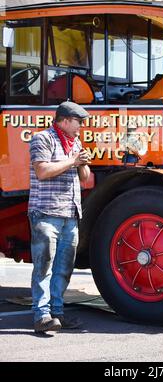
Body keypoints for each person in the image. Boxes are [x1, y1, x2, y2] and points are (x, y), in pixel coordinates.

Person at [28, 101, 91, 333]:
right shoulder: (42, 139)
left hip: (70, 213)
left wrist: (82, 163)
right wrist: (73, 161)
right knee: (43, 266)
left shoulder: (75, 142)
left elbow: (85, 178)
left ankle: (57, 313)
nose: (81, 127)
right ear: (64, 120)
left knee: (64, 268)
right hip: (46, 212)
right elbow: (42, 171)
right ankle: (41, 315)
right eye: (78, 122)